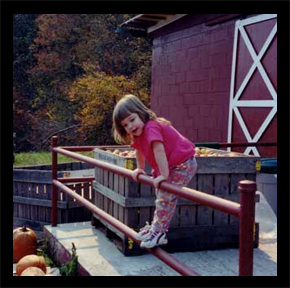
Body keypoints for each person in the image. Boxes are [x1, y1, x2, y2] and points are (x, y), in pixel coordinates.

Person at [112, 94, 197, 249]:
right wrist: (140, 168)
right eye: (125, 125)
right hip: (170, 166)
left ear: (141, 113)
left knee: (165, 197)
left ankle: (159, 232)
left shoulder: (151, 127)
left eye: (132, 119)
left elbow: (159, 149)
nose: (130, 126)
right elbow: (139, 151)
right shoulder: (138, 133)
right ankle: (155, 228)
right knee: (162, 197)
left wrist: (164, 175)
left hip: (183, 163)